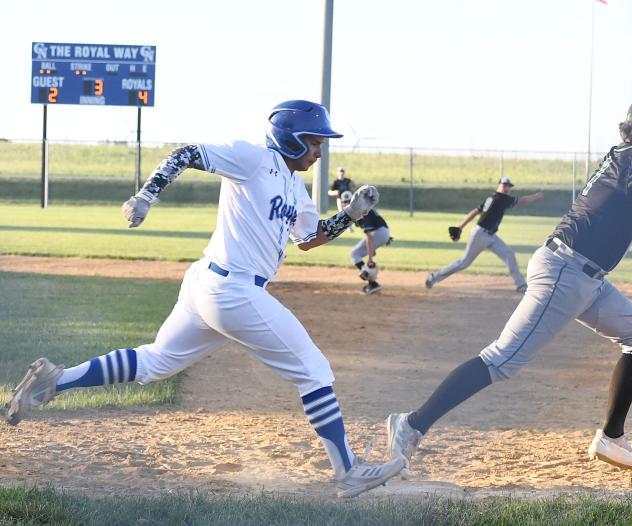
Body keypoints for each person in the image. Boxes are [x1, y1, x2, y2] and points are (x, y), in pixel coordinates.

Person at [2, 100, 404, 498]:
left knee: (156, 361)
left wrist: (350, 216)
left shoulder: (296, 188)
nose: (319, 151)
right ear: (291, 139)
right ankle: (347, 471)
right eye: (314, 142)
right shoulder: (253, 158)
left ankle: (58, 379)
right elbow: (188, 153)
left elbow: (307, 239)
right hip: (233, 289)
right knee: (314, 370)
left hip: (211, 285)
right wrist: (147, 195)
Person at [385, 85, 632, 475]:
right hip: (565, 271)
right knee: (502, 360)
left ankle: (611, 437)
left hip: (584, 276)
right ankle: (412, 424)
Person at [425, 177, 544, 292]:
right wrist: (536, 196)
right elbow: (522, 201)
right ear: (498, 186)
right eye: (504, 185)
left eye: (508, 186)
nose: (506, 188)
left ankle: (520, 284)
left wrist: (461, 226)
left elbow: (476, 211)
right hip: (480, 236)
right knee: (463, 263)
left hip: (491, 236)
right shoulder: (500, 198)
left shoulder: (492, 198)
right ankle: (434, 277)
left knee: (509, 254)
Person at [341, 190, 392, 295]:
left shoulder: (361, 211)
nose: (346, 204)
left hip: (379, 233)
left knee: (355, 254)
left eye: (348, 201)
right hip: (382, 232)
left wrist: (369, 259)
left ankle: (371, 280)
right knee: (356, 253)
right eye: (344, 202)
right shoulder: (360, 208)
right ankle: (370, 279)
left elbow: (369, 236)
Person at [328, 166, 356, 231]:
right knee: (342, 213)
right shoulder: (335, 182)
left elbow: (353, 188)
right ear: (337, 173)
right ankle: (343, 227)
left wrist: (351, 191)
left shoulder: (348, 181)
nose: (341, 173)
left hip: (348, 200)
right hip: (340, 200)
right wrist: (334, 192)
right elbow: (329, 192)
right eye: (340, 171)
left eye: (342, 171)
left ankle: (349, 226)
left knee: (350, 213)